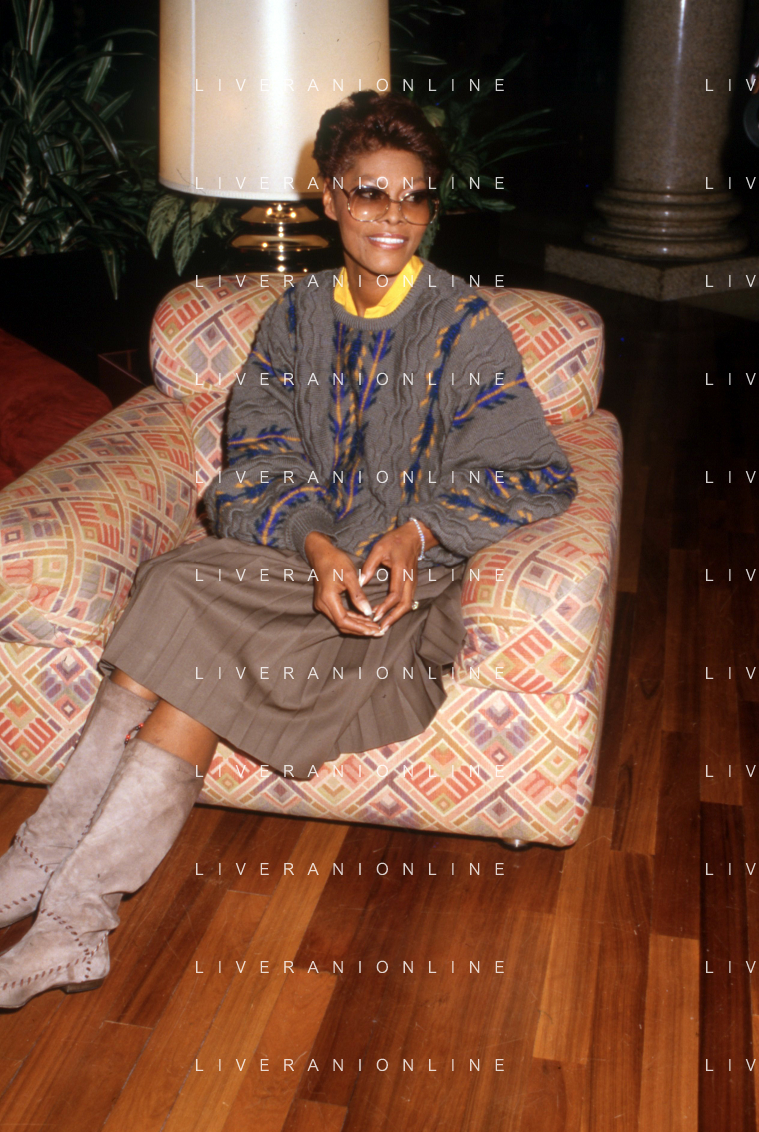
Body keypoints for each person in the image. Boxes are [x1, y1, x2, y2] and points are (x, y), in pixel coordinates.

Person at [0, 90, 578, 1009]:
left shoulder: (464, 327)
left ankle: (68, 906)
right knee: (176, 581)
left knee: (187, 646)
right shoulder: (294, 317)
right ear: (329, 195)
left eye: (414, 196)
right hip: (296, 563)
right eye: (370, 192)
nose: (394, 216)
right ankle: (53, 877)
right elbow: (258, 459)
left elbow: (534, 473)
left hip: (396, 595)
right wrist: (313, 545)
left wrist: (414, 531)